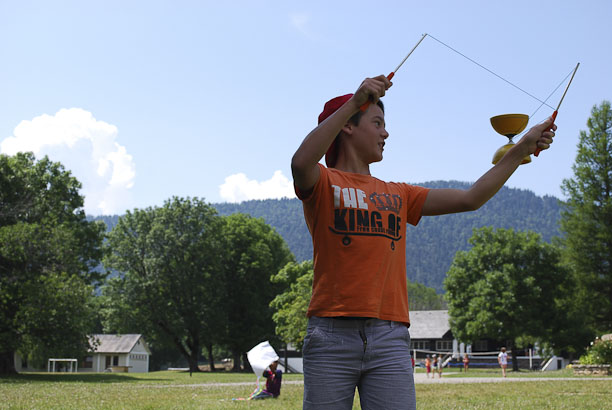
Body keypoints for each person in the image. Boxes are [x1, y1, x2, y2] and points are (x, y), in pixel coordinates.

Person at [291, 75, 556, 410]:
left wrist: (522, 148)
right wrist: (355, 101)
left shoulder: (399, 193)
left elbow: (470, 198)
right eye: (377, 123)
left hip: (389, 337)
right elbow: (300, 162)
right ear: (347, 125)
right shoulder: (323, 183)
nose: (386, 133)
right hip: (331, 335)